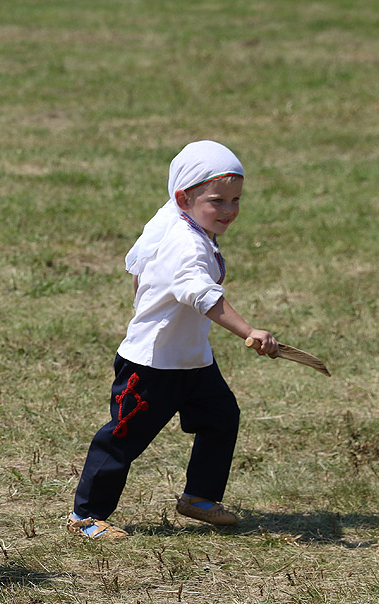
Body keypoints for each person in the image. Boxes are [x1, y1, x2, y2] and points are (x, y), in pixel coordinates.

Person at [69, 140, 277, 540]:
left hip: (192, 360)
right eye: (218, 200)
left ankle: (199, 497)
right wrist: (249, 331)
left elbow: (140, 274)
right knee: (123, 437)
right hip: (152, 366)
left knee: (221, 417)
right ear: (183, 196)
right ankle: (86, 517)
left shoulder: (184, 224)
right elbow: (201, 294)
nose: (230, 210)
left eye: (236, 199)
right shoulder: (185, 242)